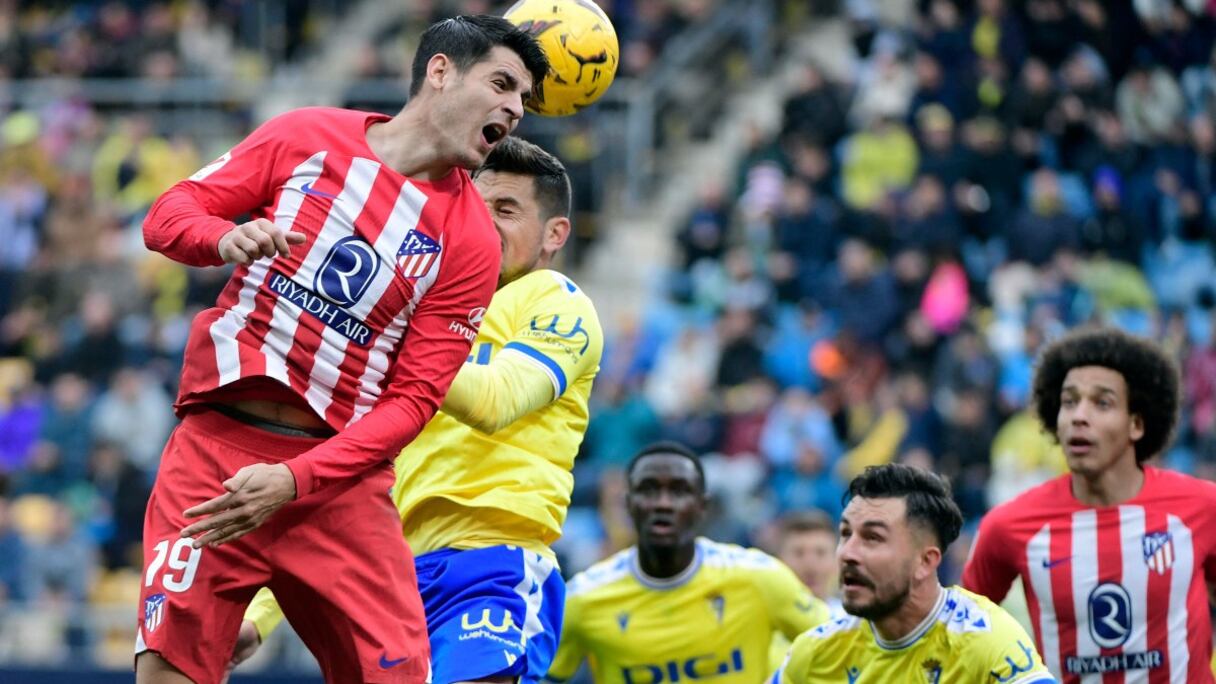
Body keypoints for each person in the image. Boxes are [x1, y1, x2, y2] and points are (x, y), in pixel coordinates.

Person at [136, 16, 548, 684]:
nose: (515, 108)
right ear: (440, 71)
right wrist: (221, 238)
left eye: (523, 100)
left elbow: (415, 400)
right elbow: (168, 214)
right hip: (214, 459)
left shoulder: (471, 240)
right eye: (502, 84)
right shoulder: (306, 135)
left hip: (335, 488)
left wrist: (296, 480)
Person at [232, 136, 602, 684]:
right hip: (387, 579)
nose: (487, 222)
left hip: (489, 564)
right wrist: (260, 616)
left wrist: (388, 342)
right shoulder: (431, 307)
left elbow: (498, 400)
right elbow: (345, 469)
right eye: (478, 207)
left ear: (555, 233)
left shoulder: (555, 300)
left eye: (507, 210)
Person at [963, 327, 1216, 683]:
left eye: (1102, 403)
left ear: (1137, 424)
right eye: (1069, 401)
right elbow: (963, 638)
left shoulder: (1203, 508)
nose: (1079, 416)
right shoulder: (1008, 525)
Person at [545, 442, 830, 684]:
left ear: (702, 506)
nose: (664, 503)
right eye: (649, 490)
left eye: (679, 491)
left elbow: (841, 646)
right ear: (629, 504)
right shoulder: (583, 598)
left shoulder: (759, 577)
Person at [775, 463, 1055, 684]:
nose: (848, 552)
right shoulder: (818, 651)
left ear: (925, 561)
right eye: (845, 534)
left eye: (872, 538)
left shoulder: (984, 640)